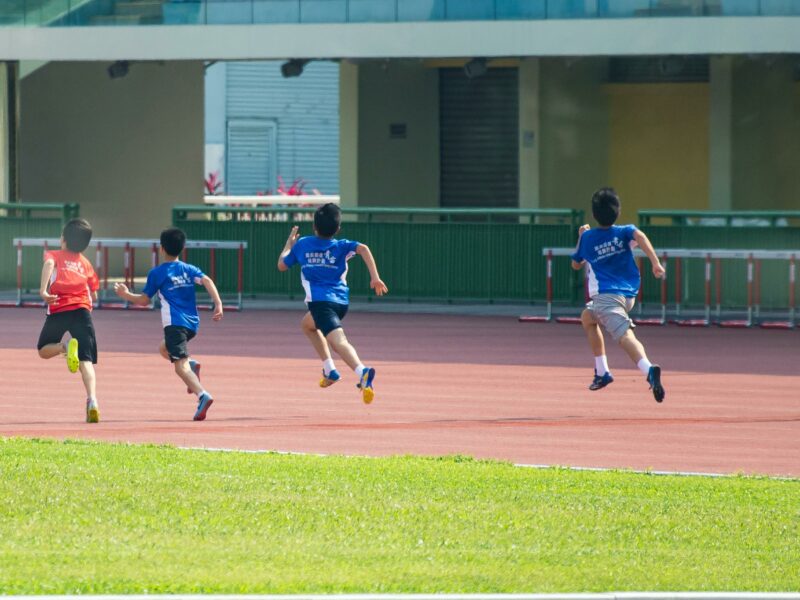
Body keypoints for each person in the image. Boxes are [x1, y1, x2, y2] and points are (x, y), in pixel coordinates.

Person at [277, 203, 388, 404]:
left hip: (321, 304)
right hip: (341, 303)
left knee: (339, 341)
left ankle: (362, 371)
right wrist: (375, 278)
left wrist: (289, 244)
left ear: (314, 226)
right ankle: (330, 370)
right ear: (337, 229)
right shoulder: (341, 245)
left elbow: (281, 265)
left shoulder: (302, 244)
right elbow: (363, 248)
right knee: (307, 325)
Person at [114, 228, 223, 421]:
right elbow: (206, 280)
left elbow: (144, 300)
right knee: (163, 348)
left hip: (175, 324)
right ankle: (192, 364)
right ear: (181, 248)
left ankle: (202, 395)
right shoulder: (188, 269)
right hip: (192, 325)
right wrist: (218, 303)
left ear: (162, 248)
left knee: (179, 366)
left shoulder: (157, 273)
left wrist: (125, 295)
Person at [571, 187, 666, 402]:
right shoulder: (624, 231)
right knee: (587, 318)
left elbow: (576, 264)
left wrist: (581, 237)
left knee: (624, 335)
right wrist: (655, 262)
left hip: (607, 297)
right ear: (618, 211)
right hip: (628, 295)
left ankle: (648, 369)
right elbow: (640, 236)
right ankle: (602, 371)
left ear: (594, 214)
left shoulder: (588, 237)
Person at [37, 218, 102, 423]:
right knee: (86, 360)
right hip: (82, 311)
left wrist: (43, 290)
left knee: (43, 349)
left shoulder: (54, 255)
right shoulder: (85, 263)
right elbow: (95, 291)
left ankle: (64, 348)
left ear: (63, 239)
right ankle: (92, 400)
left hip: (59, 308)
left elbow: (48, 263)